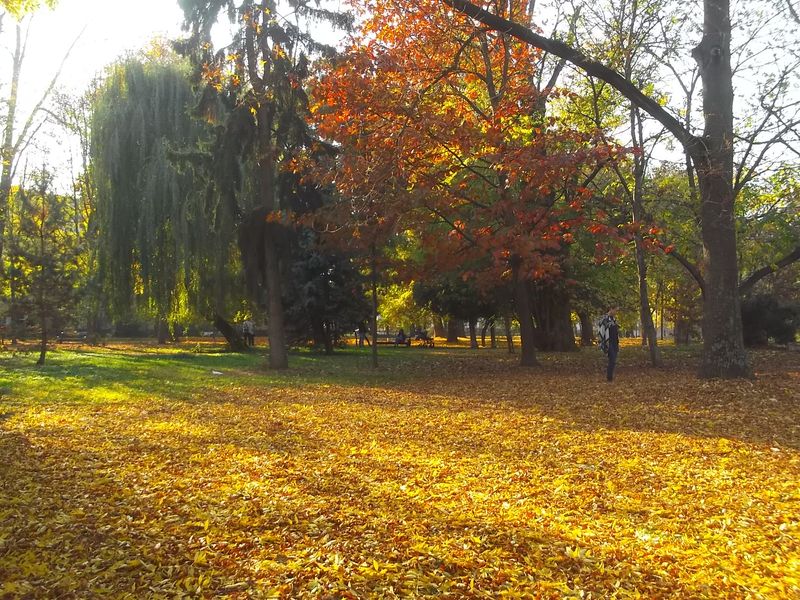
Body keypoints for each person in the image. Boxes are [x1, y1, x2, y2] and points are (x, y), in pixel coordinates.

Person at [598, 307, 620, 381]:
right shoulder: (604, 319)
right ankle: (609, 377)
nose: (616, 312)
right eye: (616, 310)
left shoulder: (614, 320)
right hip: (608, 342)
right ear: (611, 309)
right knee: (612, 359)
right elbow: (601, 331)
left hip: (615, 342)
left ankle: (610, 376)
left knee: (613, 360)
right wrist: (602, 342)